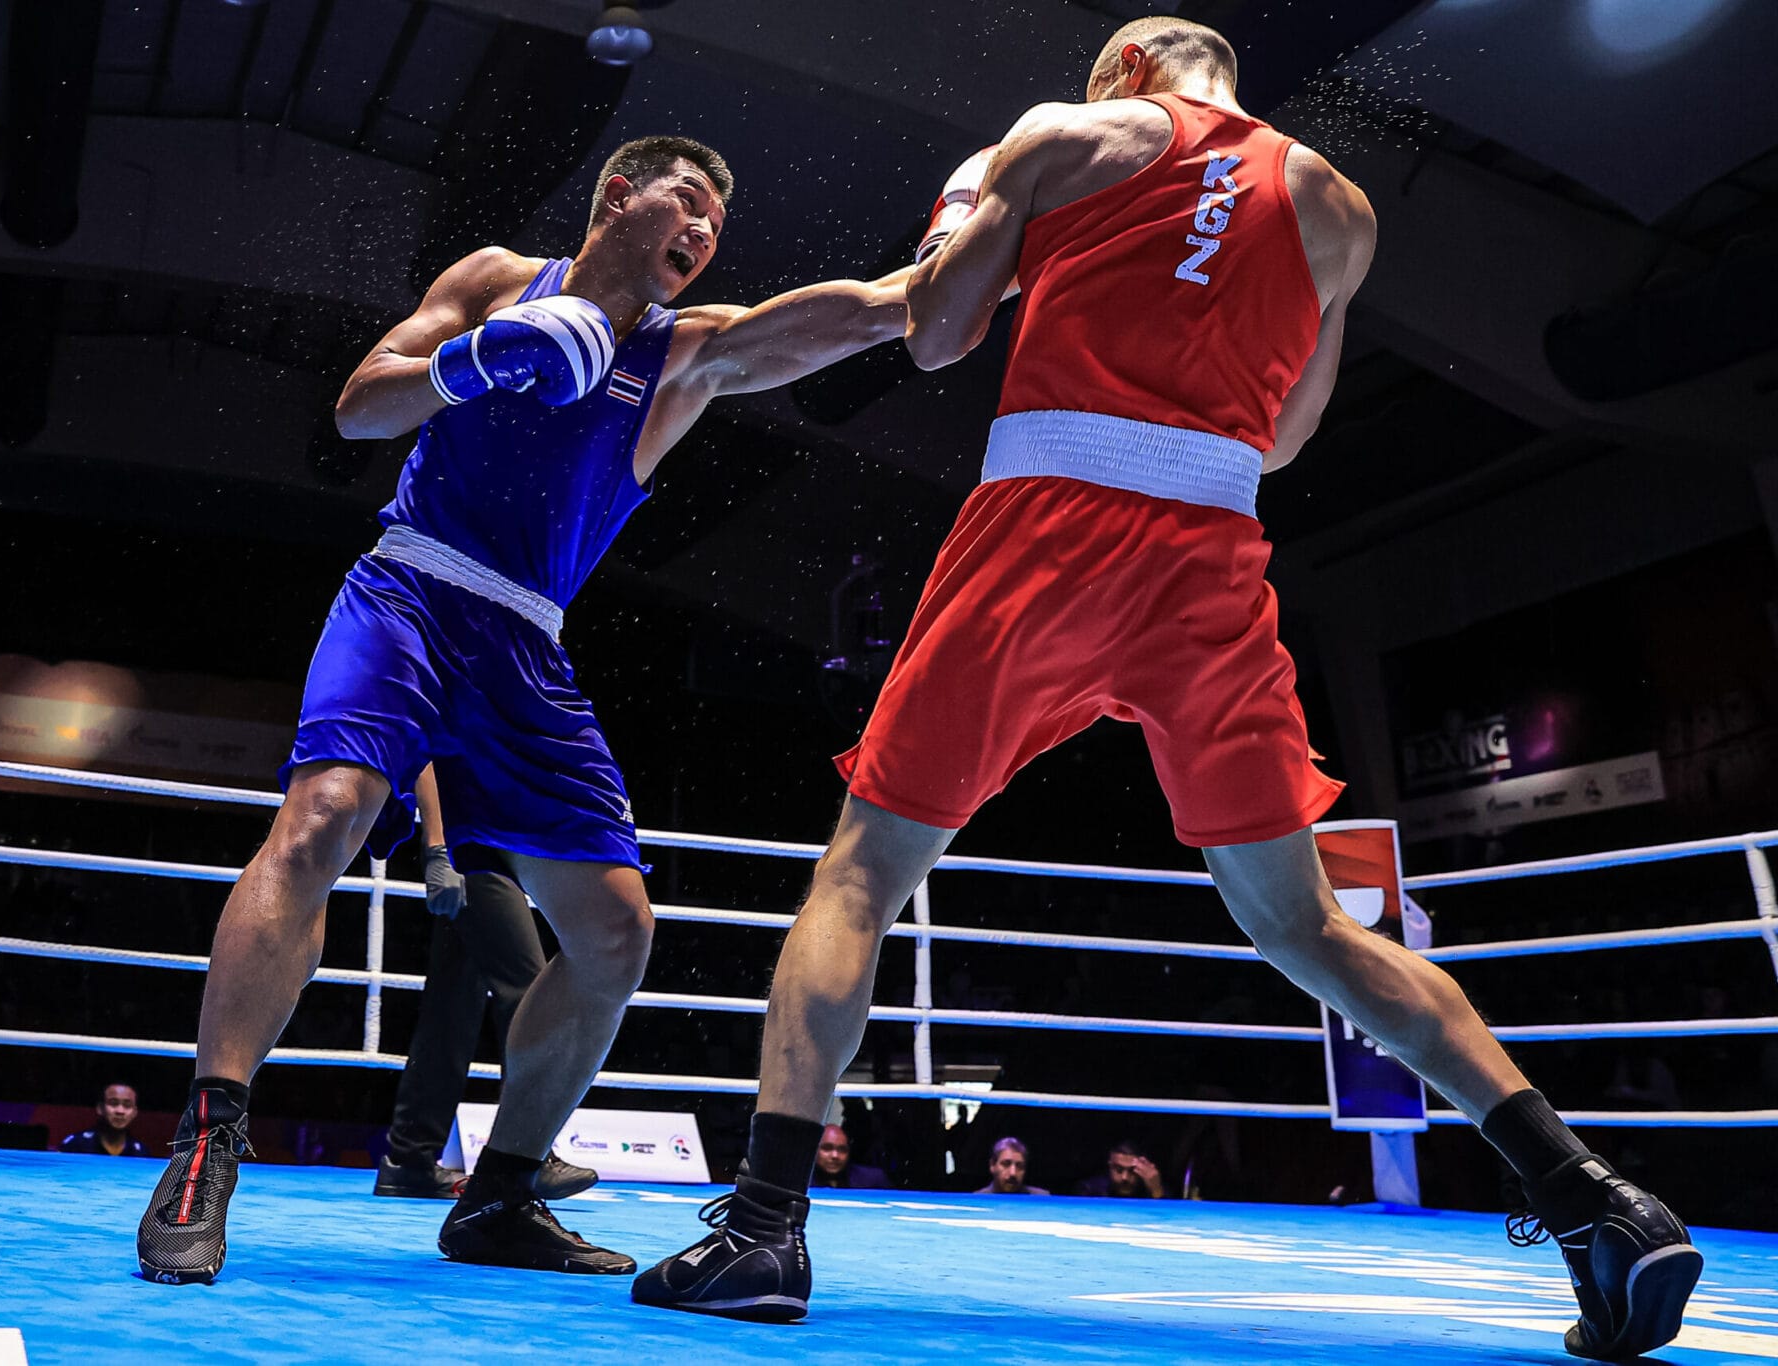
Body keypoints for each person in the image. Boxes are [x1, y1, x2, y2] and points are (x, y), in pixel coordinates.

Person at [635, 19, 1703, 1358]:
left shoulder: (1067, 136)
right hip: (1211, 551)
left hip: (1045, 525)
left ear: (1129, 65)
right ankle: (1594, 1195)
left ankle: (764, 1224)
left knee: (863, 871)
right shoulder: (1342, 205)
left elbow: (936, 335)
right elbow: (1293, 425)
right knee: (1306, 923)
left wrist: (990, 226)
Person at [137, 134, 917, 1285]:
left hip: (526, 643)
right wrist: (475, 360)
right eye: (689, 204)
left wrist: (976, 255)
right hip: (407, 587)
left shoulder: (683, 352)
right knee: (321, 820)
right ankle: (207, 1145)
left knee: (613, 937)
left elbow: (846, 316)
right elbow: (358, 411)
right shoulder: (495, 279)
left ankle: (501, 1190)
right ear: (618, 193)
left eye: (716, 228)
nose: (701, 236)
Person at [373, 766, 594, 1200]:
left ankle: (410, 1159)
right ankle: (529, 1154)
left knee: (452, 1006)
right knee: (530, 991)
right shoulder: (464, 696)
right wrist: (438, 849)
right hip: (470, 847)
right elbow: (431, 758)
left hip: (495, 843)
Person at [59, 1083, 153, 1157]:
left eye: (127, 1105)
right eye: (113, 1103)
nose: (120, 1111)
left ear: (135, 1112)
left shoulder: (140, 1152)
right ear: (100, 1108)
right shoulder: (75, 1144)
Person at [809, 1123, 888, 1190]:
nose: (835, 1156)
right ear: (814, 1149)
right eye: (827, 1148)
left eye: (842, 1149)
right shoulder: (800, 1181)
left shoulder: (873, 1179)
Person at [1082, 1139, 1163, 1199]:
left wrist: (1156, 1190)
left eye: (1132, 1171)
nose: (1125, 1177)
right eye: (1119, 1169)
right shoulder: (1090, 1189)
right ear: (1110, 1165)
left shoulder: (1154, 1188)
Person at [973, 1137, 1046, 1196]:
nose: (1013, 1173)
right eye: (1006, 1164)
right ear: (992, 1165)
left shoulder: (1041, 1199)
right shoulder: (977, 1200)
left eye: (1020, 1166)